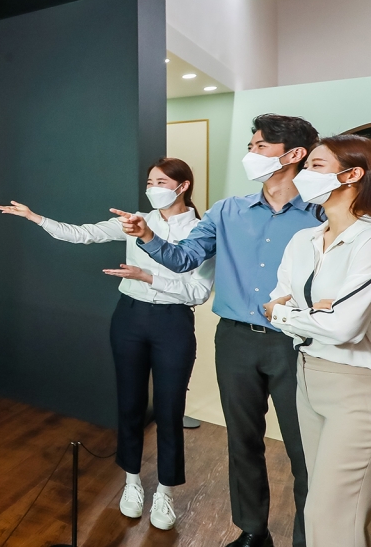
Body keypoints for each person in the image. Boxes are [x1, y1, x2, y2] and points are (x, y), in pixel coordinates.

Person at [113, 114, 321, 547]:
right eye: (251, 146)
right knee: (243, 442)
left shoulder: (321, 214)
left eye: (260, 146)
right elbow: (184, 258)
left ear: (294, 154)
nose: (251, 154)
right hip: (235, 340)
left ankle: (310, 538)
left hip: (297, 343)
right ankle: (252, 532)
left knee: (305, 450)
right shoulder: (227, 211)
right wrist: (148, 236)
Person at [0, 158, 214, 531]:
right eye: (149, 181)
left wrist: (148, 277)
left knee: (169, 409)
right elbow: (82, 234)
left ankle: (165, 491)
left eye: (161, 182)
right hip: (129, 317)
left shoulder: (201, 230)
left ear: (183, 186)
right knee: (129, 404)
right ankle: (131, 482)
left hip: (173, 323)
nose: (152, 188)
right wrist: (35, 218)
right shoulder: (133, 221)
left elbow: (197, 292)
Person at [263, 135, 371, 547]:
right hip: (306, 376)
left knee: (333, 515)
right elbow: (272, 305)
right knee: (322, 504)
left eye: (316, 166)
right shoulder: (303, 240)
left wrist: (292, 313)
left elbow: (345, 328)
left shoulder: (367, 241)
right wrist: (312, 313)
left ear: (352, 175)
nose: (303, 174)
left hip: (355, 387)